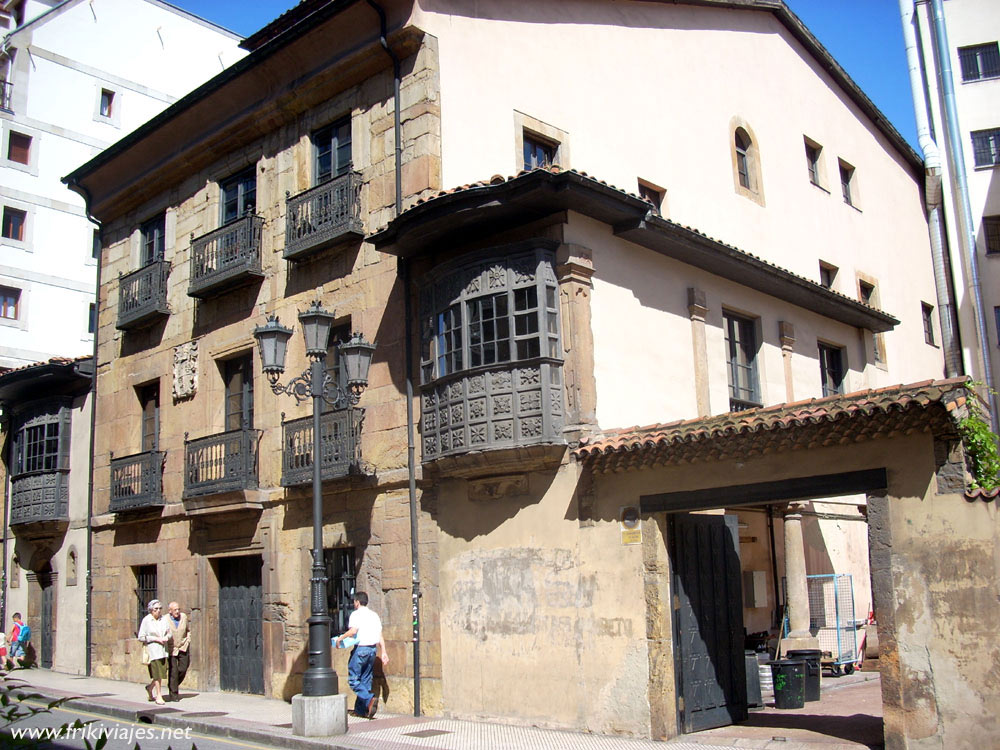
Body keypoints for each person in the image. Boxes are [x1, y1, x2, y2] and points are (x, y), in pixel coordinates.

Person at [334, 591, 388, 719]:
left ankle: (369, 698)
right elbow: (380, 635)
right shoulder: (374, 615)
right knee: (365, 680)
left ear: (357, 602)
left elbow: (353, 631)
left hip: (361, 649)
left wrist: (340, 638)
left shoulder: (356, 614)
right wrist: (384, 651)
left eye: (354, 601)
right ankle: (360, 710)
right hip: (372, 650)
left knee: (353, 680)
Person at [137, 600, 171, 705]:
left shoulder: (164, 619)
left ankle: (150, 688)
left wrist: (166, 637)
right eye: (156, 609)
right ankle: (159, 695)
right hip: (153, 651)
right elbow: (141, 637)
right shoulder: (146, 620)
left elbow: (169, 633)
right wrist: (155, 639)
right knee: (157, 674)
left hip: (163, 650)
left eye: (160, 608)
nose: (158, 611)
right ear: (151, 610)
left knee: (162, 673)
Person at [165, 602, 191, 702]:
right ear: (170, 611)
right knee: (173, 671)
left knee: (183, 668)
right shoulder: (165, 619)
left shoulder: (183, 617)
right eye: (175, 610)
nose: (177, 612)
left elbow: (188, 630)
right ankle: (174, 694)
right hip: (172, 648)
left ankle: (172, 684)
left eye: (178, 609)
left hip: (183, 646)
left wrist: (188, 640)